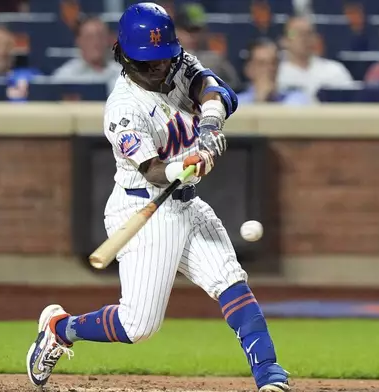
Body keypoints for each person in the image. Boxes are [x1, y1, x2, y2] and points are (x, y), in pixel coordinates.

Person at [25, 4, 290, 392]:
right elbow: (150, 169)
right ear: (125, 56)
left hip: (185, 203)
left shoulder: (177, 62)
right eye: (148, 62)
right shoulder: (123, 109)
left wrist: (211, 122)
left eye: (163, 59)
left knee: (231, 281)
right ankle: (59, 328)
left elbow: (214, 89)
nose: (159, 68)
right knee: (138, 326)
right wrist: (187, 164)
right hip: (144, 207)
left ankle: (269, 374)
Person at [277, 16, 353, 102]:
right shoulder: (275, 72)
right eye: (296, 33)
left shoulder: (335, 71)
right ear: (284, 40)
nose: (304, 38)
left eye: (309, 33)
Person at [173, 2, 242, 91]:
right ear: (176, 31)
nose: (193, 36)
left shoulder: (216, 60)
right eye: (188, 30)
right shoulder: (165, 59)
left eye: (197, 30)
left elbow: (235, 86)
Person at [52, 16, 121, 94]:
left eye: (101, 37)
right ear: (79, 41)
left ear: (108, 40)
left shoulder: (124, 75)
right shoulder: (64, 78)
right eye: (90, 38)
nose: (96, 43)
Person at [238, 37, 310, 105]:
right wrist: (260, 100)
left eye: (273, 63)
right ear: (249, 70)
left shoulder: (296, 99)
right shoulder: (237, 103)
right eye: (262, 64)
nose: (270, 68)